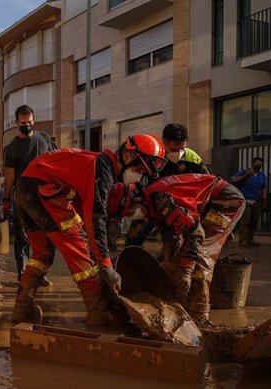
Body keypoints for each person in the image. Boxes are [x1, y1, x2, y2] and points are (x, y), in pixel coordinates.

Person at [11, 134, 168, 324]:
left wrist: (97, 249)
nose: (139, 174)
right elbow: (96, 219)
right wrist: (105, 265)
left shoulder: (93, 163)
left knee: (42, 253)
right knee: (80, 254)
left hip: (24, 190)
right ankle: (98, 310)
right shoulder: (102, 169)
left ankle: (22, 309)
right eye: (139, 168)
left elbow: (85, 212)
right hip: (44, 191)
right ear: (127, 155)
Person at [108, 174, 245, 324]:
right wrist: (169, 251)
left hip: (226, 200)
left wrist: (185, 269)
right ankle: (184, 303)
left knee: (202, 255)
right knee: (180, 251)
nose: (130, 217)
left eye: (129, 212)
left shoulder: (162, 200)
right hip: (209, 201)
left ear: (135, 201)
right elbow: (170, 231)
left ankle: (199, 315)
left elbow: (195, 234)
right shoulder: (152, 200)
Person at [123, 123, 210, 247]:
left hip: (181, 209)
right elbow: (136, 183)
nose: (178, 153)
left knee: (180, 244)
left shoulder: (194, 160)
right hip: (152, 205)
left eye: (182, 149)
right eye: (174, 149)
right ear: (164, 141)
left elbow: (207, 185)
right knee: (133, 239)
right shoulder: (153, 157)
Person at [2, 104, 57, 283]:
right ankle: (23, 275)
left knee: (44, 237)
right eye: (23, 122)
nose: (27, 125)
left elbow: (55, 160)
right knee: (23, 237)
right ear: (17, 123)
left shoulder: (45, 139)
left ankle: (40, 273)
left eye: (30, 121)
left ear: (34, 120)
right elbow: (9, 176)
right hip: (21, 200)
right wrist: (6, 199)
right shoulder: (11, 148)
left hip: (44, 197)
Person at [231, 157, 267, 247]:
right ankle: (242, 240)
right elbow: (232, 180)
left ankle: (250, 239)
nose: (259, 166)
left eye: (261, 165)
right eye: (257, 164)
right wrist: (245, 176)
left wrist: (264, 198)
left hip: (256, 200)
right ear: (252, 163)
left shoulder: (262, 176)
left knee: (254, 222)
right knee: (245, 222)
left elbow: (263, 187)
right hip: (245, 200)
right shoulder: (244, 172)